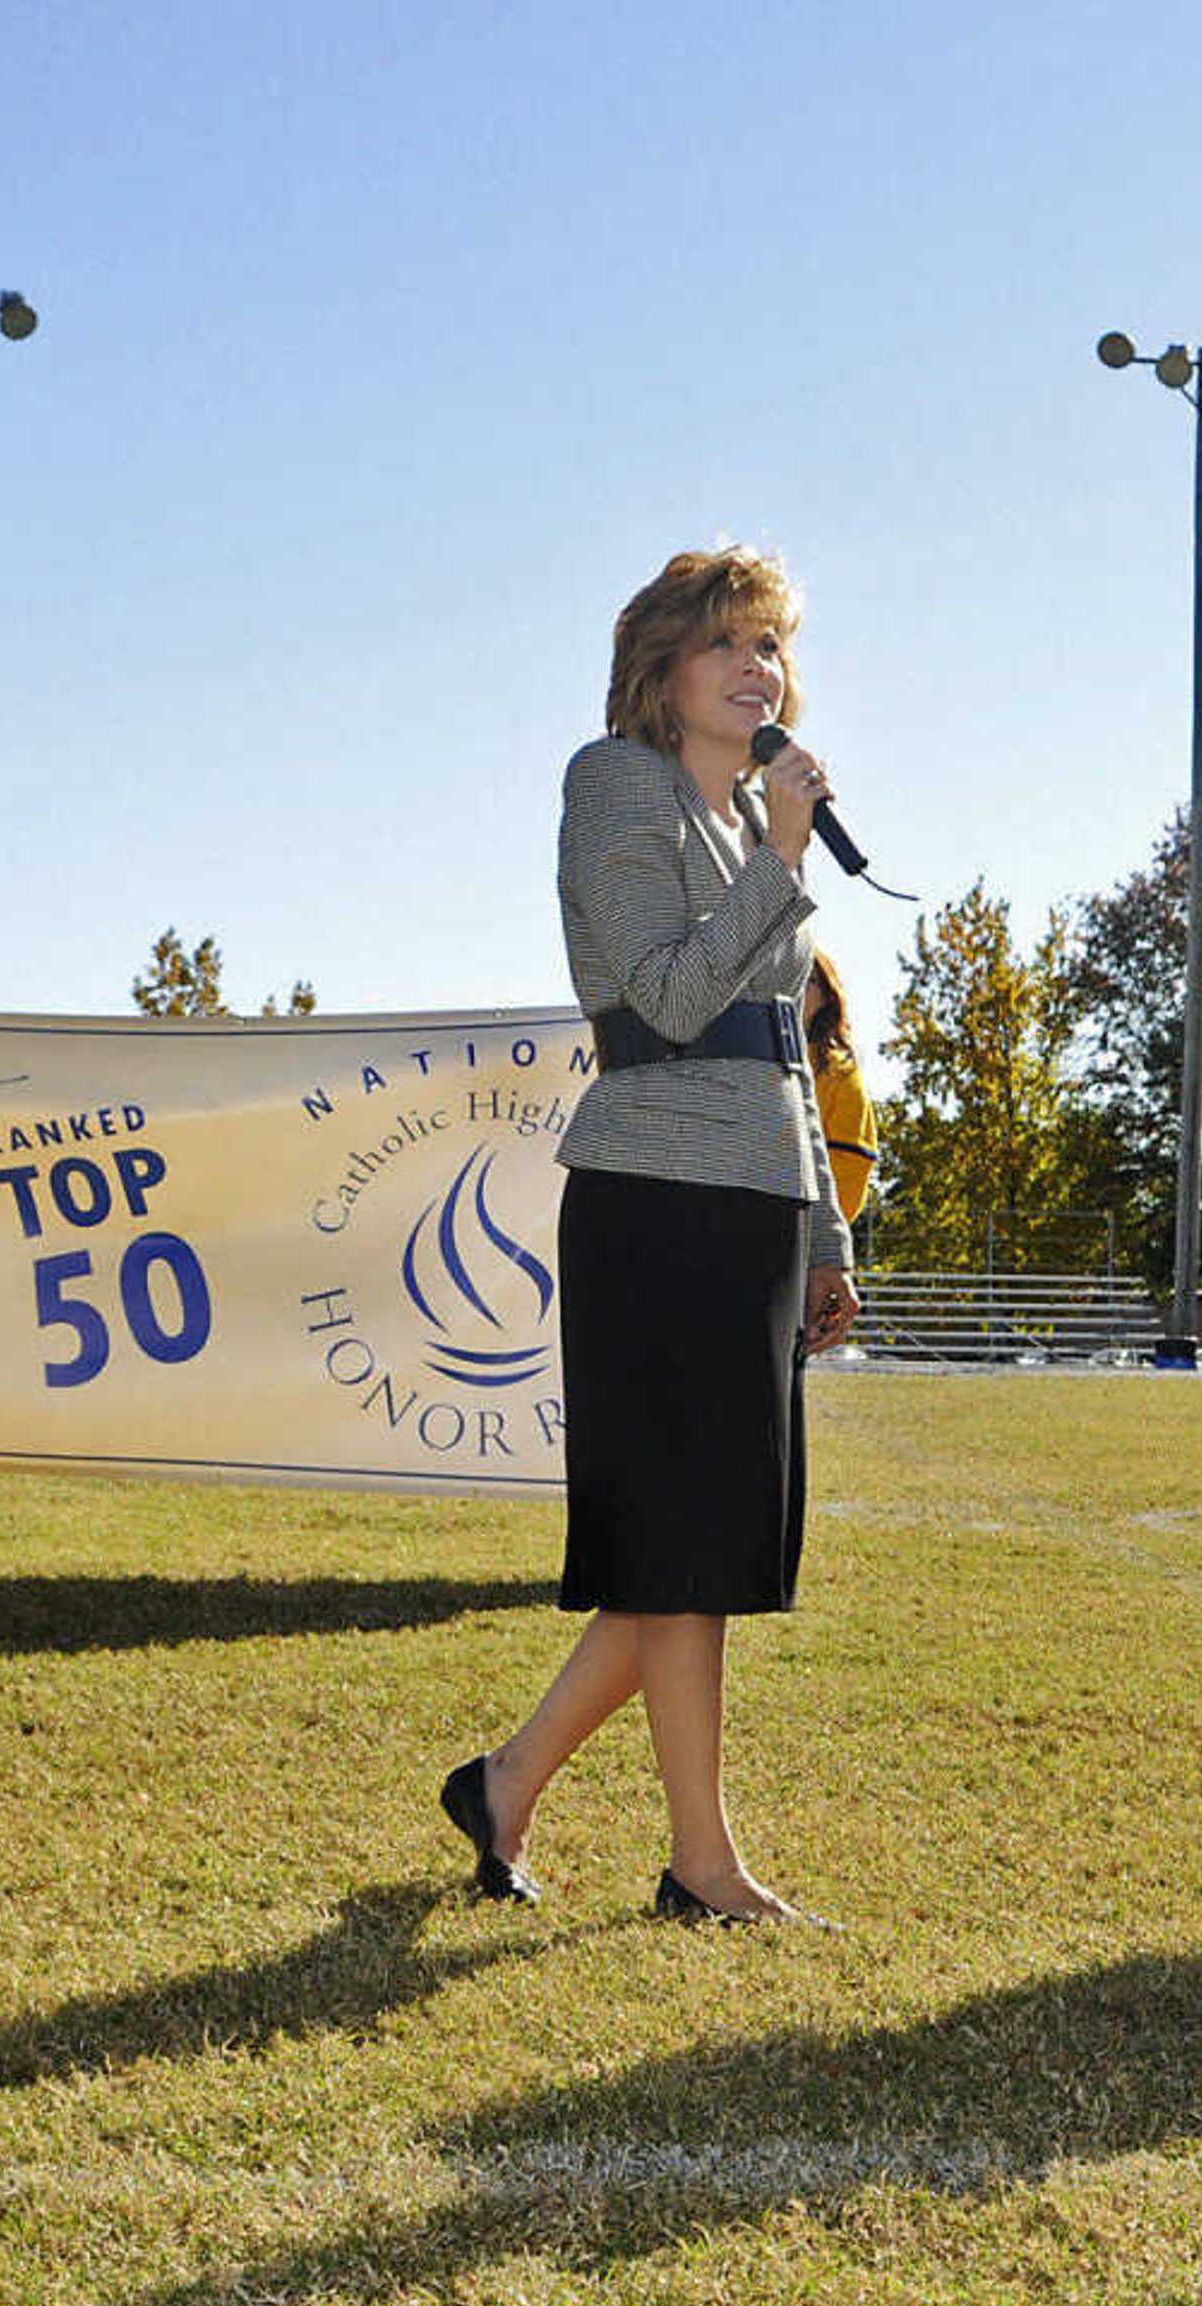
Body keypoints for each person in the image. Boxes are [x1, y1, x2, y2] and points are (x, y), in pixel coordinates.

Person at [439, 547, 861, 1927]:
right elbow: (673, 1001)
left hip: (751, 1211)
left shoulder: (749, 822)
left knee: (703, 1553)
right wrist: (785, 860)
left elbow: (786, 1056)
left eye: (773, 648)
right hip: (653, 1204)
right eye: (731, 644)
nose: (760, 670)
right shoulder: (613, 784)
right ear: (663, 667)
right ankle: (700, 1860)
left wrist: (828, 1233)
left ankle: (514, 1787)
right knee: (680, 1549)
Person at [801, 946, 880, 1228]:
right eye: (789, 975)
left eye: (806, 980)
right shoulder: (751, 1057)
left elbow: (850, 1171)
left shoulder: (842, 1075)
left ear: (826, 997)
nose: (794, 986)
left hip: (805, 1239)